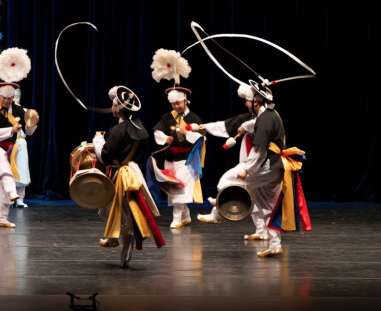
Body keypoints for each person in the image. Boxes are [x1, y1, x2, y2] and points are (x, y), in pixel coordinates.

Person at [197, 81, 288, 257]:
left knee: (228, 178)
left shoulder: (265, 119)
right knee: (266, 206)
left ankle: (219, 212)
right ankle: (275, 244)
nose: (245, 104)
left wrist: (248, 170)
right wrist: (245, 126)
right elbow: (256, 124)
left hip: (267, 166)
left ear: (255, 102)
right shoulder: (270, 115)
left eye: (247, 101)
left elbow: (259, 150)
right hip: (275, 167)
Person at [92, 86, 163, 269]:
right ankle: (116, 243)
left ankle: (121, 248)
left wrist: (98, 140)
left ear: (118, 108)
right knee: (121, 211)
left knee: (123, 213)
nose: (112, 107)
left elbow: (105, 156)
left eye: (113, 105)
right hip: (133, 171)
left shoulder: (119, 130)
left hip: (121, 175)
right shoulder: (139, 127)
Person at [0, 47, 36, 228]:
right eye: (4, 98)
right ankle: (13, 192)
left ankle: (2, 218)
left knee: (2, 181)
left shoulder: (18, 110)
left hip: (10, 148)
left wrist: (32, 123)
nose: (7, 101)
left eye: (10, 99)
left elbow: (27, 132)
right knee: (5, 168)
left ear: (13, 98)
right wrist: (11, 130)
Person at [151, 86, 204, 228]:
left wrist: (187, 134)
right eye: (173, 104)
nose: (175, 106)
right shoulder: (167, 117)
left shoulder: (194, 118)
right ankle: (186, 215)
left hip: (187, 159)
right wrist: (164, 138)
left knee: (179, 189)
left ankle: (176, 219)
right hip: (170, 158)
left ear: (185, 101)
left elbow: (201, 138)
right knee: (174, 189)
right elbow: (157, 132)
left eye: (178, 103)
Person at [13, 88, 32, 207]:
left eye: (17, 96)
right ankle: (5, 200)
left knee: (22, 171)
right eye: (13, 96)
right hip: (8, 143)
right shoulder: (4, 111)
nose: (15, 98)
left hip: (20, 142)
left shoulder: (25, 111)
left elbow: (29, 132)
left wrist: (32, 121)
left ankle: (20, 200)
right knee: (7, 172)